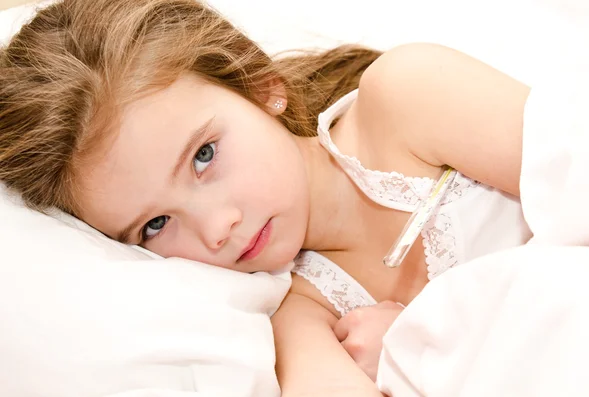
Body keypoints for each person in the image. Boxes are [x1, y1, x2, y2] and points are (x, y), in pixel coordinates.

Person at [0, 0, 532, 395]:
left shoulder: (407, 99)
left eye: (204, 156)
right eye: (156, 224)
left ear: (260, 86)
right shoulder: (299, 316)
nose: (215, 229)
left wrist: (440, 342)